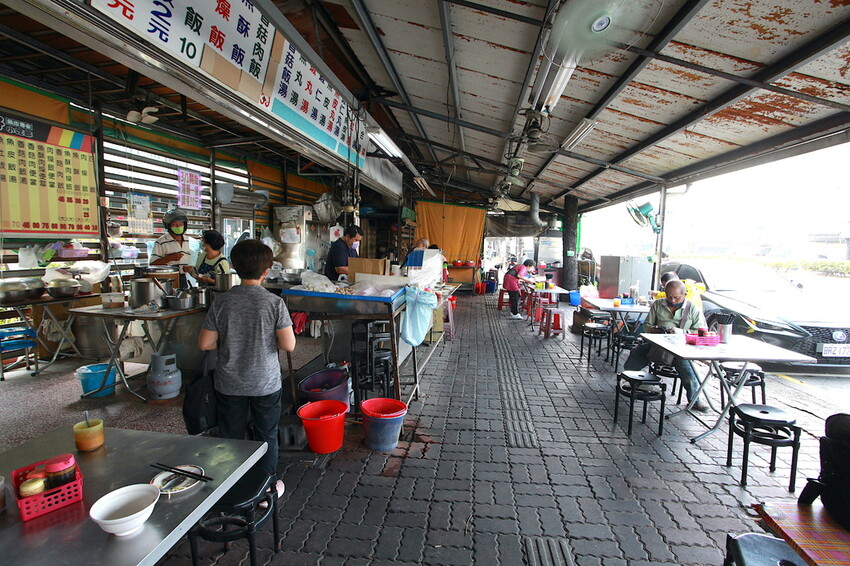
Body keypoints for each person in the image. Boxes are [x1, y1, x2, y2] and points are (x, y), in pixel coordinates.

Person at [198, 239, 295, 497]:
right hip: (265, 382)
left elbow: (205, 344)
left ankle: (232, 488)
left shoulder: (222, 302)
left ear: (235, 267)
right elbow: (288, 345)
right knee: (266, 435)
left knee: (231, 436)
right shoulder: (274, 303)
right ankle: (265, 490)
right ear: (266, 271)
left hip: (229, 382)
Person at [623, 279, 710, 412]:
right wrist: (654, 330)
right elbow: (646, 325)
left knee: (688, 371)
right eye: (669, 297)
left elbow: (701, 332)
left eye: (676, 297)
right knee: (636, 354)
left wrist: (680, 332)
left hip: (680, 348)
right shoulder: (658, 304)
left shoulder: (693, 309)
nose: (673, 300)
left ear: (684, 294)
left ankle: (695, 399)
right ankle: (633, 382)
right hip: (657, 345)